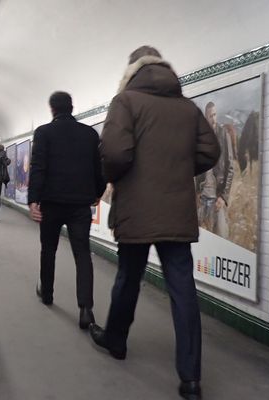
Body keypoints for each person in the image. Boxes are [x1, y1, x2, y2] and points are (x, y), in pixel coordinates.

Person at [92, 46, 220, 400]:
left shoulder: (126, 102)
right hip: (176, 210)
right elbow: (211, 152)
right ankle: (191, 379)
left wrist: (117, 175)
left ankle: (116, 340)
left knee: (129, 277)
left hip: (136, 208)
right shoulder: (187, 107)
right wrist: (178, 169)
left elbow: (115, 152)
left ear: (131, 69)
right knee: (182, 290)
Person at [28, 91, 105, 330]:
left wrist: (34, 200)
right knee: (82, 254)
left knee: (48, 249)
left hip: (51, 203)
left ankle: (48, 293)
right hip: (80, 205)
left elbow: (38, 168)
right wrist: (97, 193)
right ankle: (85, 309)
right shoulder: (90, 134)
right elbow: (98, 168)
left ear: (52, 109)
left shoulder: (43, 133)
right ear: (72, 108)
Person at [195, 101, 234, 239]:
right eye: (210, 116)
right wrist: (197, 192)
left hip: (217, 199)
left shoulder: (224, 135)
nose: (213, 119)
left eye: (215, 115)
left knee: (222, 238)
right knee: (201, 241)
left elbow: (230, 167)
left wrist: (223, 197)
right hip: (203, 198)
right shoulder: (200, 137)